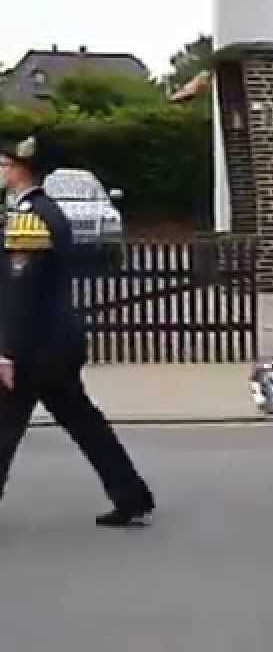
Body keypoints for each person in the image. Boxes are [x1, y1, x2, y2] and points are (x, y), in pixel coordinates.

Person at [0, 134, 155, 527]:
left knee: (5, 427)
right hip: (56, 341)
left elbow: (22, 291)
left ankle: (131, 495)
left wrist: (7, 352)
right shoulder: (41, 210)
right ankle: (131, 495)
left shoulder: (30, 216)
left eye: (3, 165)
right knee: (85, 424)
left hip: (36, 345)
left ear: (20, 170)